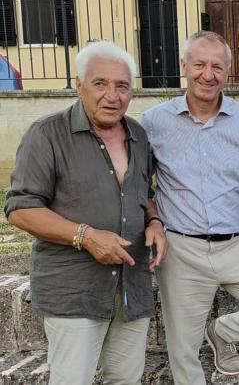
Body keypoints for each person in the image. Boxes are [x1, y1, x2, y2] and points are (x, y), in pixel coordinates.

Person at [4, 41, 167, 385]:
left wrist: (154, 222)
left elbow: (145, 193)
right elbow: (20, 208)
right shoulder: (47, 134)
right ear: (78, 85)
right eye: (100, 83)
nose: (112, 95)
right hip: (74, 291)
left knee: (125, 381)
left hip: (130, 288)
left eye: (122, 86)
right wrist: (86, 236)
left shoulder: (138, 135)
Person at [142, 31, 239, 384]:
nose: (207, 74)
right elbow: (139, 186)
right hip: (181, 251)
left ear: (227, 72)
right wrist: (154, 221)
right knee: (183, 355)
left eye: (217, 66)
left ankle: (222, 332)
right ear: (183, 67)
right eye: (199, 64)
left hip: (235, 246)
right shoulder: (153, 122)